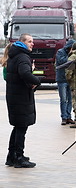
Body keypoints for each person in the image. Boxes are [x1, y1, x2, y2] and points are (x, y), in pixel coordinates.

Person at [5, 33, 41, 168]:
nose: (33, 44)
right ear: (23, 42)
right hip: (20, 98)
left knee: (17, 127)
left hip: (15, 96)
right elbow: (24, 73)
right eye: (30, 41)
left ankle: (11, 156)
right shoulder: (23, 57)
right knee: (21, 127)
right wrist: (37, 81)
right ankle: (19, 158)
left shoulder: (14, 55)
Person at [55, 39, 76, 126]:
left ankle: (68, 116)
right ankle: (64, 117)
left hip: (70, 79)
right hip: (61, 79)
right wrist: (70, 56)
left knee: (70, 99)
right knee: (63, 99)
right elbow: (62, 61)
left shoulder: (73, 53)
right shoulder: (60, 52)